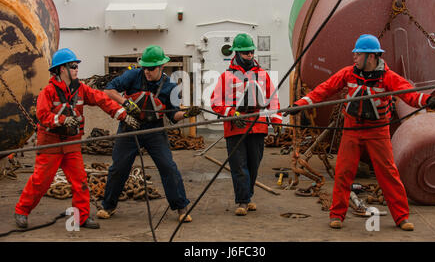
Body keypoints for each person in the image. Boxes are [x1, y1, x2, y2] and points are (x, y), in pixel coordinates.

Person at [284, 34, 435, 231]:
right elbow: (324, 90)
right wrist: (299, 105)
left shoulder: (388, 77)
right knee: (343, 173)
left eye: (358, 54)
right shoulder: (348, 74)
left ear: (371, 56)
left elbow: (407, 93)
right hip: (352, 130)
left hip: (377, 132)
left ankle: (401, 217)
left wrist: (426, 101)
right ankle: (337, 215)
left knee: (388, 174)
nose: (354, 57)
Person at [14, 48, 138, 229]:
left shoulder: (80, 89)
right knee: (41, 181)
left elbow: (102, 99)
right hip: (51, 144)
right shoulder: (48, 92)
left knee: (80, 181)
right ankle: (22, 211)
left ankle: (81, 218)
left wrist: (122, 114)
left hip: (72, 144)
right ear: (61, 69)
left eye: (77, 66)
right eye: (73, 66)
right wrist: (63, 119)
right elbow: (42, 115)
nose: (76, 69)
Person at [97, 45, 201, 222]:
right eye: (144, 67)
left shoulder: (170, 87)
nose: (147, 71)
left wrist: (187, 114)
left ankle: (181, 207)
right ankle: (109, 206)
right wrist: (125, 102)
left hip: (154, 131)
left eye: (151, 68)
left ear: (161, 67)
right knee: (118, 167)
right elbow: (108, 90)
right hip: (130, 127)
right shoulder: (133, 75)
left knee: (168, 166)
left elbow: (173, 116)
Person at [210, 33, 283, 216]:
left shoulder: (262, 75)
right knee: (239, 165)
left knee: (254, 164)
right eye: (245, 53)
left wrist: (276, 121)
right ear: (236, 53)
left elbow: (272, 100)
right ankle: (242, 201)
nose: (249, 56)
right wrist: (231, 113)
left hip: (257, 125)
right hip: (235, 126)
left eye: (251, 52)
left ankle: (247, 196)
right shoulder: (226, 77)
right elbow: (215, 102)